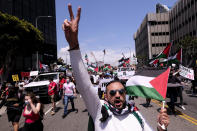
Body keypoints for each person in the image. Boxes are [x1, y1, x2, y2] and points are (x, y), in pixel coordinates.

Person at [62, 4, 169, 131]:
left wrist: (161, 129)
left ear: (125, 95)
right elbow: (84, 85)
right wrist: (74, 45)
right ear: (106, 97)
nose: (117, 95)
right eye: (112, 93)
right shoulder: (98, 109)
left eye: (121, 92)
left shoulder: (136, 114)